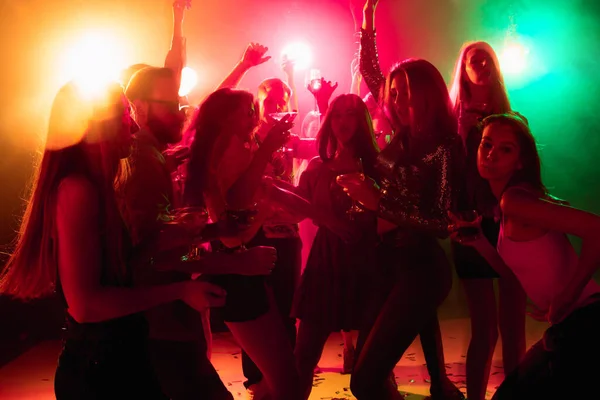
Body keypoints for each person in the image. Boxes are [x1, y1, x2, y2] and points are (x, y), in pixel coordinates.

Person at [0, 81, 224, 399]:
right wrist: (180, 290)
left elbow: (116, 271)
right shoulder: (77, 190)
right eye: (124, 116)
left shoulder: (97, 186)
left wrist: (171, 239)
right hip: (98, 369)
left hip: (116, 357)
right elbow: (86, 306)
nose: (133, 127)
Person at [339, 1, 465, 398]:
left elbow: (443, 223)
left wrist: (379, 205)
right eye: (391, 94)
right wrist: (368, 19)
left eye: (403, 93)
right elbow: (371, 71)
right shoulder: (403, 136)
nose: (392, 100)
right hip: (387, 262)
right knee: (368, 376)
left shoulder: (444, 146)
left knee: (364, 381)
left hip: (421, 268)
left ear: (426, 93)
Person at [449, 113, 600, 399]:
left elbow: (597, 230)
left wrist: (567, 297)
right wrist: (480, 242)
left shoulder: (515, 201)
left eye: (506, 149)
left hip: (586, 323)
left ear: (521, 162)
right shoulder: (511, 202)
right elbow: (512, 273)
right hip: (573, 324)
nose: (492, 154)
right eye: (487, 145)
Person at [183, 87, 302, 400]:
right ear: (225, 116)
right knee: (286, 382)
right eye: (248, 109)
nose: (254, 115)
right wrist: (267, 153)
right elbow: (236, 209)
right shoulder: (226, 148)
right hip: (236, 265)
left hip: (240, 259)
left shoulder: (225, 146)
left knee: (278, 379)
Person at [448, 42, 525, 400]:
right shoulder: (451, 123)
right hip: (469, 223)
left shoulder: (514, 121)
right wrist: (463, 136)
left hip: (509, 223)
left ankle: (518, 392)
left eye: (486, 58)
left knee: (514, 326)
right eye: (472, 59)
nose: (480, 63)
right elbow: (451, 178)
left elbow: (525, 175)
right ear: (462, 71)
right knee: (484, 326)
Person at [292, 93, 379, 398]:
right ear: (329, 120)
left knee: (375, 363)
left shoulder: (379, 165)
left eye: (351, 114)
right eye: (337, 115)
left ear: (363, 120)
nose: (343, 122)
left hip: (368, 260)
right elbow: (296, 207)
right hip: (326, 261)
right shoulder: (318, 166)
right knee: (304, 355)